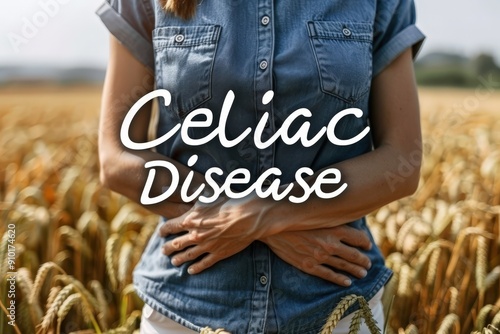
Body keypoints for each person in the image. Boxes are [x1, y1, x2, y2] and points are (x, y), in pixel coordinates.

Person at [96, 0, 425, 333]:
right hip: (185, 309)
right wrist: (261, 221)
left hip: (337, 309)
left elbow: (401, 160)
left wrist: (265, 214)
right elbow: (117, 157)